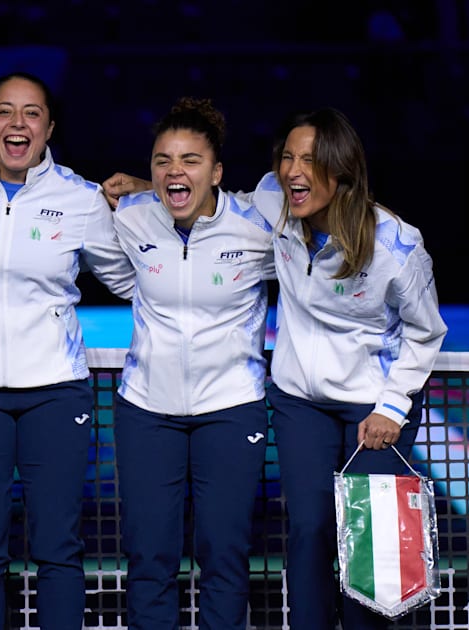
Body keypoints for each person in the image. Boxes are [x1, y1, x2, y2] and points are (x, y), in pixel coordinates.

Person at [0, 72, 133, 630]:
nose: (18, 124)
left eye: (32, 113)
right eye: (5, 112)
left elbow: (131, 279)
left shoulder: (81, 198)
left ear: (49, 127)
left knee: (59, 548)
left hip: (56, 392)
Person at [250, 108, 448, 630]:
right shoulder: (273, 202)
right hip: (300, 401)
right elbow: (216, 207)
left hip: (373, 403)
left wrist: (392, 407)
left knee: (369, 540)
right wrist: (147, 187)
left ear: (341, 172)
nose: (292, 171)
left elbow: (425, 332)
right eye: (287, 157)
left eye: (310, 161)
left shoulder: (396, 244)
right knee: (310, 529)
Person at [109, 98, 275, 630]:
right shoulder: (131, 215)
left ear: (218, 172)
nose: (174, 171)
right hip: (146, 411)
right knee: (149, 557)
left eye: (190, 160)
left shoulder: (257, 225)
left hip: (231, 409)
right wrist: (137, 187)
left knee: (224, 556)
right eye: (162, 161)